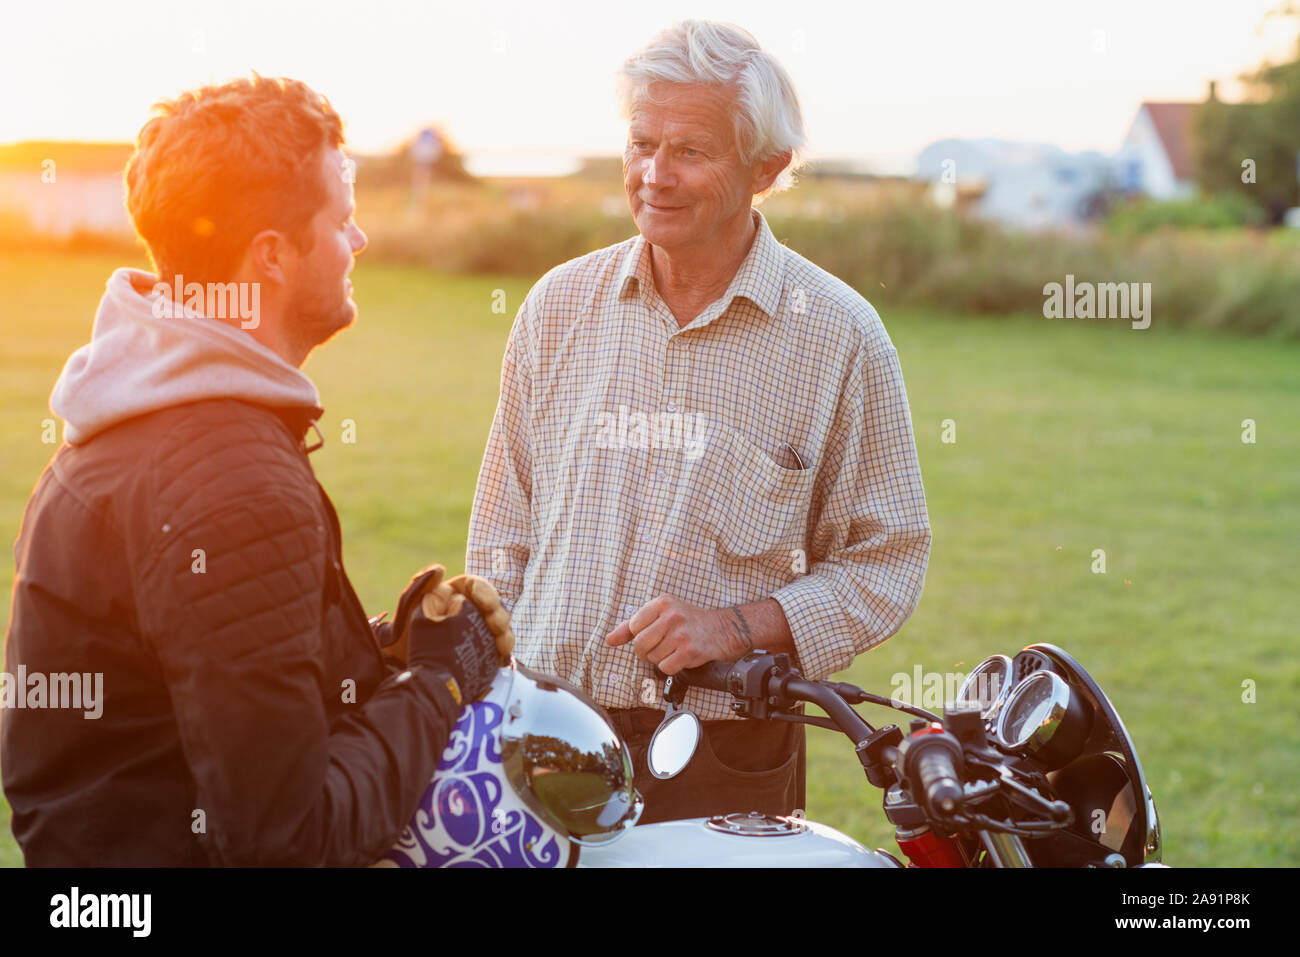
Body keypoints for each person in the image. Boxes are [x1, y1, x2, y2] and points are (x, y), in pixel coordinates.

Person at [1, 75, 508, 866]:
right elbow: (286, 835)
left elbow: (192, 689)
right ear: (270, 256)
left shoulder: (128, 411)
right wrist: (438, 685)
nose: (361, 242)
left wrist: (385, 652)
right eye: (342, 221)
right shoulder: (231, 484)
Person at [465, 20, 932, 824]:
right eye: (642, 143)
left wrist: (736, 627)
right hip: (537, 739)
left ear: (767, 168)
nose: (655, 175)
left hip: (721, 757)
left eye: (690, 150)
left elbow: (886, 562)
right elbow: (501, 540)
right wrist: (485, 701)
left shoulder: (839, 336)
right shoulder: (556, 307)